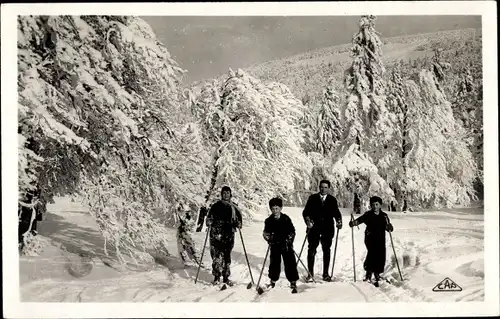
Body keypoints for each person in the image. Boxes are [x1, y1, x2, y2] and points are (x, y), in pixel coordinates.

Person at [302, 179, 343, 282]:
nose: (323, 189)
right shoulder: (313, 198)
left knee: (326, 250)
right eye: (321, 187)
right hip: (314, 228)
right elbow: (306, 212)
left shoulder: (332, 200)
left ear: (328, 188)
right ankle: (310, 274)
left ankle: (325, 274)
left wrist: (339, 221)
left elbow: (336, 213)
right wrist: (308, 221)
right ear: (319, 187)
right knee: (311, 250)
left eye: (325, 187)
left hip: (327, 229)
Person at [349, 196, 394, 286]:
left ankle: (377, 273)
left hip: (380, 238)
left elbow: (388, 226)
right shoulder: (368, 214)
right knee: (372, 253)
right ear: (370, 205)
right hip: (370, 237)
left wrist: (389, 227)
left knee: (381, 255)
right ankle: (368, 273)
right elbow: (360, 220)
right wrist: (353, 223)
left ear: (380, 205)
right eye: (373, 204)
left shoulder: (384, 216)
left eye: (377, 204)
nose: (375, 206)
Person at [205, 186, 242, 286]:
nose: (226, 195)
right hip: (216, 234)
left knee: (226, 257)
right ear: (221, 194)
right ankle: (216, 277)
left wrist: (238, 224)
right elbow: (209, 218)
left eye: (228, 193)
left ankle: (226, 278)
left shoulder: (234, 207)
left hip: (229, 235)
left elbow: (239, 221)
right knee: (216, 257)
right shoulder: (215, 206)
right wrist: (209, 221)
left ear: (230, 194)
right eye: (224, 193)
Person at [262, 197, 299, 291]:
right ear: (270, 209)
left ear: (281, 208)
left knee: (290, 262)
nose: (275, 211)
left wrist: (290, 239)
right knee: (274, 263)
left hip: (286, 244)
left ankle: (293, 281)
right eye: (273, 209)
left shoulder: (286, 219)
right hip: (275, 245)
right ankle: (273, 280)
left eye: (277, 208)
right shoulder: (268, 220)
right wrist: (269, 238)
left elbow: (292, 231)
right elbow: (265, 233)